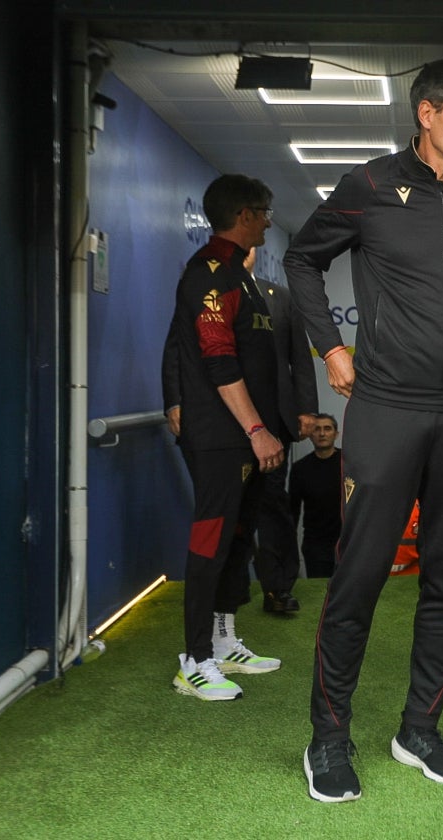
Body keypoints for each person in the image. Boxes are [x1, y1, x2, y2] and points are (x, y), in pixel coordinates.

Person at [283, 57, 443, 803]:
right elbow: (301, 259)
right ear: (426, 113)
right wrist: (332, 346)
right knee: (360, 577)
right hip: (387, 405)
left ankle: (419, 728)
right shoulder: (371, 186)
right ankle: (327, 738)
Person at [161, 174, 289, 701]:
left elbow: (186, 346)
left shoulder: (242, 275)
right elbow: (217, 361)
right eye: (263, 212)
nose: (268, 220)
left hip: (243, 438)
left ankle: (222, 642)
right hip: (222, 436)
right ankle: (192, 662)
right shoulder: (209, 275)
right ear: (243, 216)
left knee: (238, 539)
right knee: (210, 543)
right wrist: (256, 430)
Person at [288, 413, 343, 578]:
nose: (322, 433)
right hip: (315, 544)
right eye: (316, 429)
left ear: (336, 433)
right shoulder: (300, 469)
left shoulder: (349, 464)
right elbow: (293, 509)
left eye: (327, 428)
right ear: (310, 434)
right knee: (319, 593)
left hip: (347, 540)